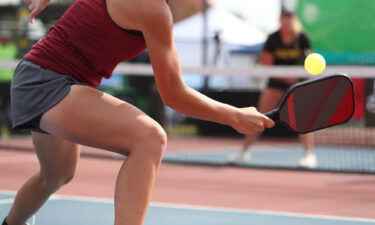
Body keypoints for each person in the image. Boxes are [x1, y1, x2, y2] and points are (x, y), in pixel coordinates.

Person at [2, 0, 274, 225]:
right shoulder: (152, 9)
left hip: (44, 76)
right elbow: (174, 95)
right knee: (149, 137)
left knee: (57, 174)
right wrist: (234, 115)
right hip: (47, 81)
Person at [229, 7, 317, 168]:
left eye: (290, 17)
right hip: (275, 84)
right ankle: (243, 152)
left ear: (294, 19)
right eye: (284, 17)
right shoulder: (273, 39)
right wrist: (286, 77)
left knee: (305, 120)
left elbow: (309, 62)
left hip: (297, 85)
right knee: (260, 117)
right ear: (280, 19)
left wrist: (297, 77)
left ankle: (309, 155)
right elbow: (267, 64)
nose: (287, 20)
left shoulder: (302, 38)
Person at [0, 30, 18, 138]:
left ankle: (6, 129)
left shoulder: (13, 48)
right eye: (3, 37)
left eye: (6, 37)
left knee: (7, 106)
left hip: (8, 82)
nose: (4, 39)